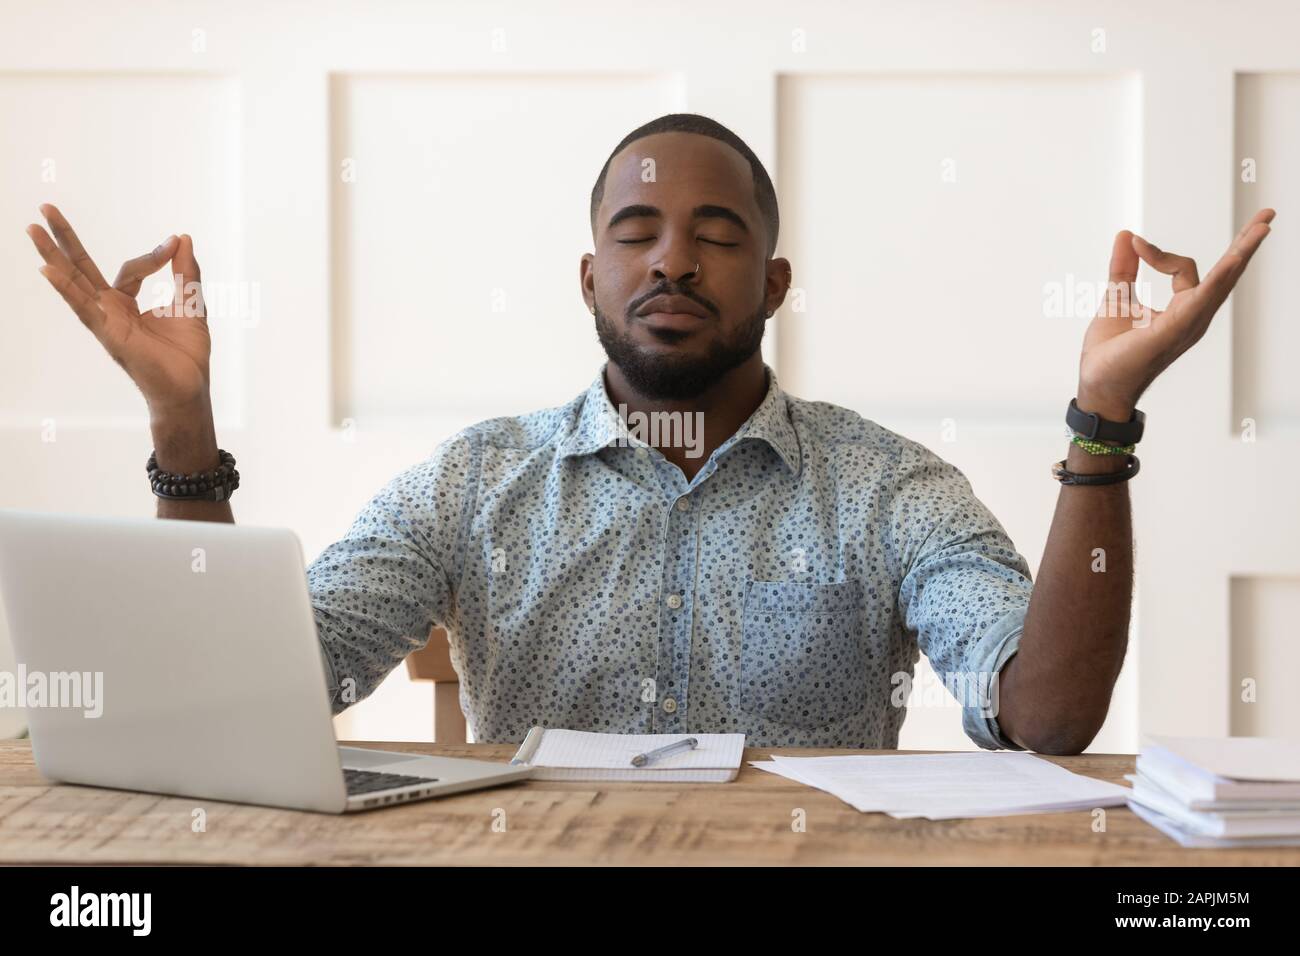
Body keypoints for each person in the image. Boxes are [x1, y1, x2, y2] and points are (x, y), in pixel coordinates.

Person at [25, 112, 1274, 753]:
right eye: (636, 233)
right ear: (587, 277)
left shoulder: (890, 486)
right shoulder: (475, 481)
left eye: (720, 234)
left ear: (774, 285)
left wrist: (1101, 422)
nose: (674, 257)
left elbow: (1045, 718)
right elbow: (252, 695)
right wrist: (182, 427)